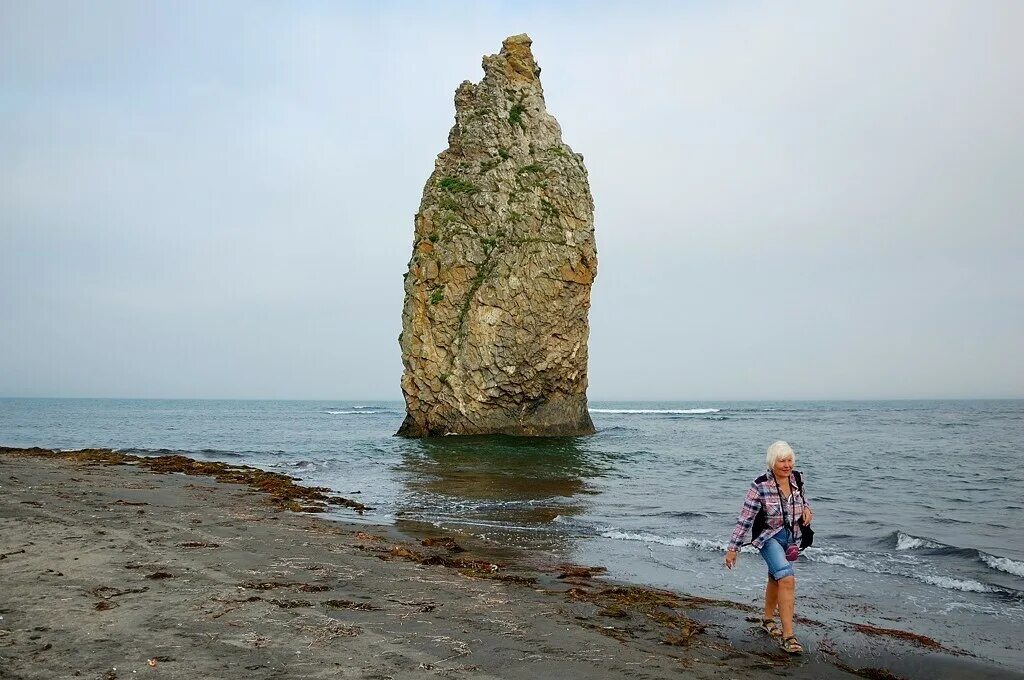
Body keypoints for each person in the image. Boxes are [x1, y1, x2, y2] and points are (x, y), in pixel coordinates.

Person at [724, 440, 813, 654]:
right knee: (787, 578)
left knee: (776, 577)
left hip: (791, 538)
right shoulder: (760, 485)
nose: (786, 464)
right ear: (772, 462)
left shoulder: (797, 479)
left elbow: (803, 500)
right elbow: (745, 518)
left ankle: (767, 620)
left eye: (789, 460)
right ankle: (788, 636)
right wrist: (733, 548)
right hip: (768, 538)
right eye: (781, 460)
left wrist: (808, 510)